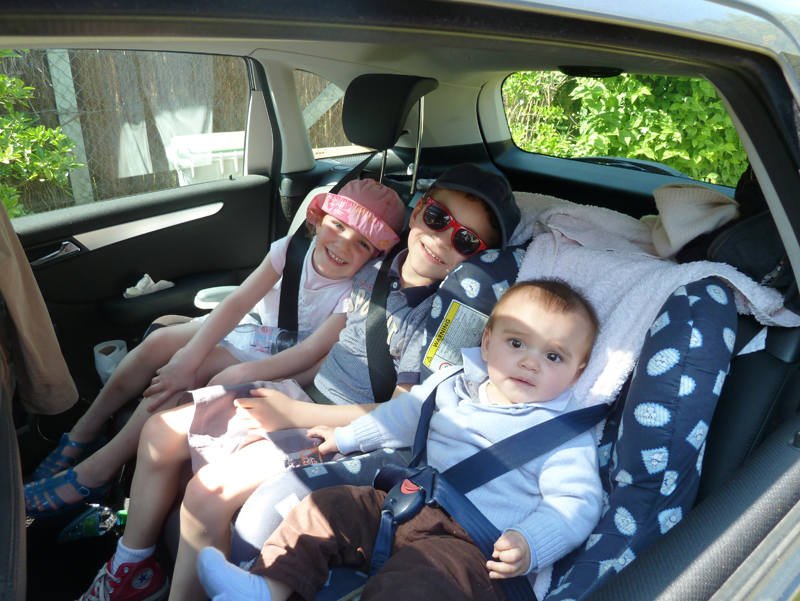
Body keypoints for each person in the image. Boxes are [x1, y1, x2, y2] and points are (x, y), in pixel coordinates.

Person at [74, 163, 521, 601]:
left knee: (208, 491)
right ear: (420, 208)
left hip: (340, 432)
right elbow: (322, 348)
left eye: (465, 240)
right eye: (438, 218)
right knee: (158, 431)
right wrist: (248, 379)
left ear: (478, 255)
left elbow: (402, 414)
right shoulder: (375, 268)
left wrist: (293, 413)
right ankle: (131, 565)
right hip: (302, 394)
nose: (441, 239)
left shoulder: (437, 318)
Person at [197, 278, 603, 601]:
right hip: (405, 505)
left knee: (416, 584)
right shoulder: (453, 384)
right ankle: (267, 587)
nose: (530, 362)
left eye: (554, 356)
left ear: (578, 372)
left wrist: (532, 543)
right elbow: (403, 416)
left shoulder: (563, 435)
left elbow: (576, 502)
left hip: (474, 548)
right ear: (486, 341)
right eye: (516, 343)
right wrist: (345, 437)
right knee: (326, 508)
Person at [25, 178, 406, 515]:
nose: (342, 244)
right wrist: (186, 359)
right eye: (337, 225)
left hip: (294, 357)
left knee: (208, 370)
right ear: (319, 219)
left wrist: (233, 371)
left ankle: (100, 468)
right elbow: (239, 302)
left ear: (375, 256)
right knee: (161, 343)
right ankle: (82, 432)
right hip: (258, 330)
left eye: (362, 243)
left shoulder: (356, 292)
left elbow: (308, 353)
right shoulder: (293, 248)